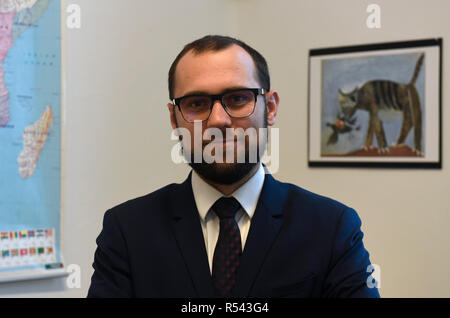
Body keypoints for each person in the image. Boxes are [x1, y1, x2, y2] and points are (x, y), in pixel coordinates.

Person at [87, 35, 380, 298]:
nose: (218, 120)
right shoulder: (127, 231)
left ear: (271, 108)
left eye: (238, 98)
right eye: (197, 103)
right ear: (175, 119)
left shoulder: (332, 228)